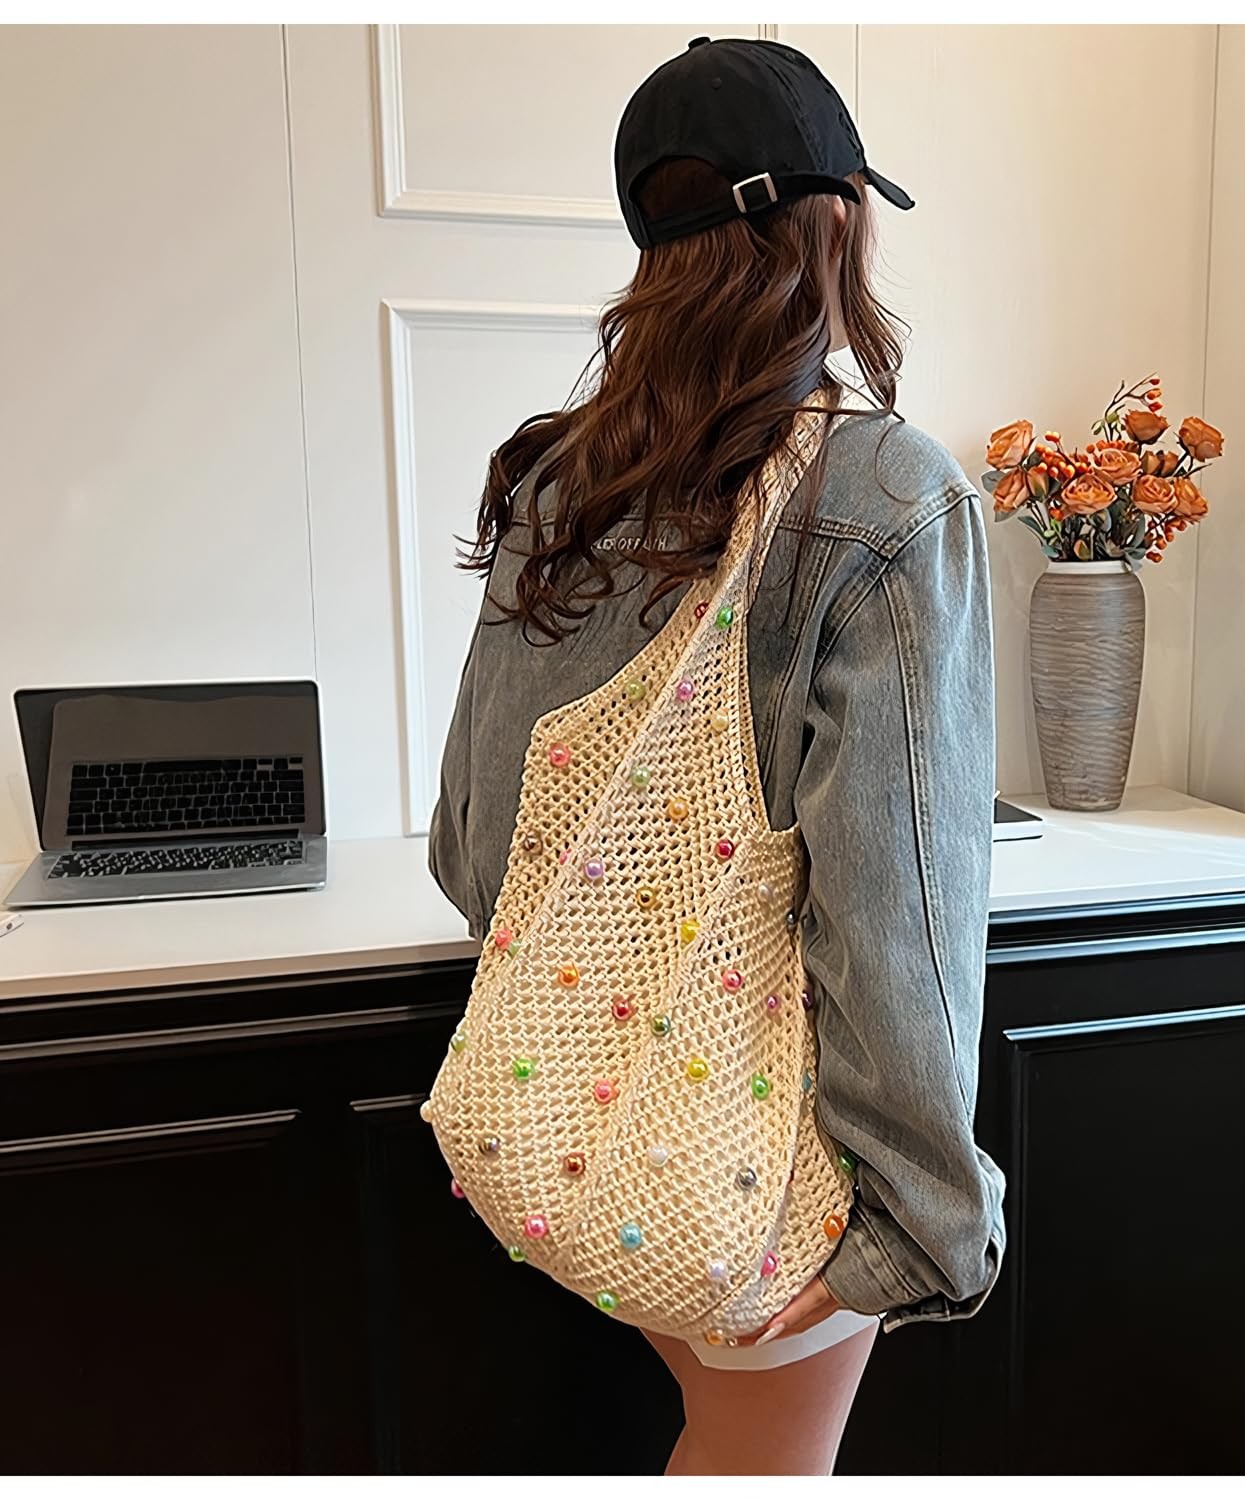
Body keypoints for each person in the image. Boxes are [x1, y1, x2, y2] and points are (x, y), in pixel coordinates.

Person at [428, 35, 1005, 1478]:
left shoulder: (560, 479)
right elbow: (900, 927)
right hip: (764, 1163)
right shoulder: (884, 493)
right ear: (840, 225)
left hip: (578, 1140)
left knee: (723, 1449)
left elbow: (473, 850)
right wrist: (927, 1227)